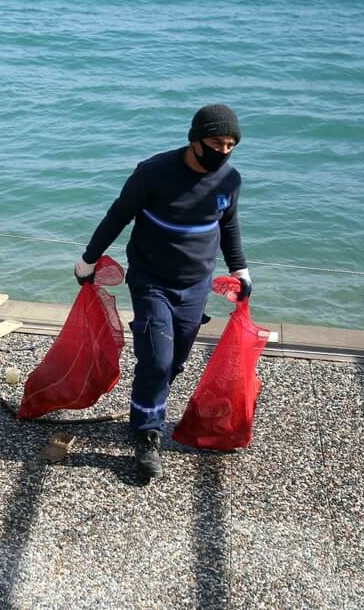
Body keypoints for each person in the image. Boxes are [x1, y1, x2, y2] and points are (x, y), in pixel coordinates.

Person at [74, 104, 251, 479]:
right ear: (195, 139)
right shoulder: (153, 173)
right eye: (216, 142)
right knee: (156, 358)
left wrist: (240, 269)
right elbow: (118, 215)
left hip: (196, 285)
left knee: (173, 361)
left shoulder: (229, 181)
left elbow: (229, 228)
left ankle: (146, 405)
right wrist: (88, 260)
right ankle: (147, 434)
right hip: (151, 279)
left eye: (231, 145)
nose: (223, 151)